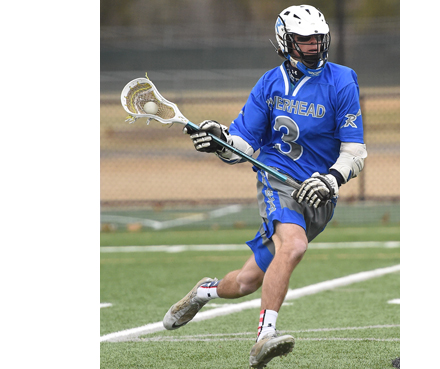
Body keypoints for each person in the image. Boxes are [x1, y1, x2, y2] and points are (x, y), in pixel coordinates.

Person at [163, 4, 367, 368]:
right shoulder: (269, 84)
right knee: (294, 245)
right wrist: (220, 140)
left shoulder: (343, 80)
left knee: (245, 282)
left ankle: (203, 291)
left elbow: (354, 152)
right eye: (304, 41)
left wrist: (330, 180)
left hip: (318, 191)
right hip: (277, 178)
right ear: (284, 42)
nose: (314, 47)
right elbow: (242, 145)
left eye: (318, 40)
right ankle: (264, 337)